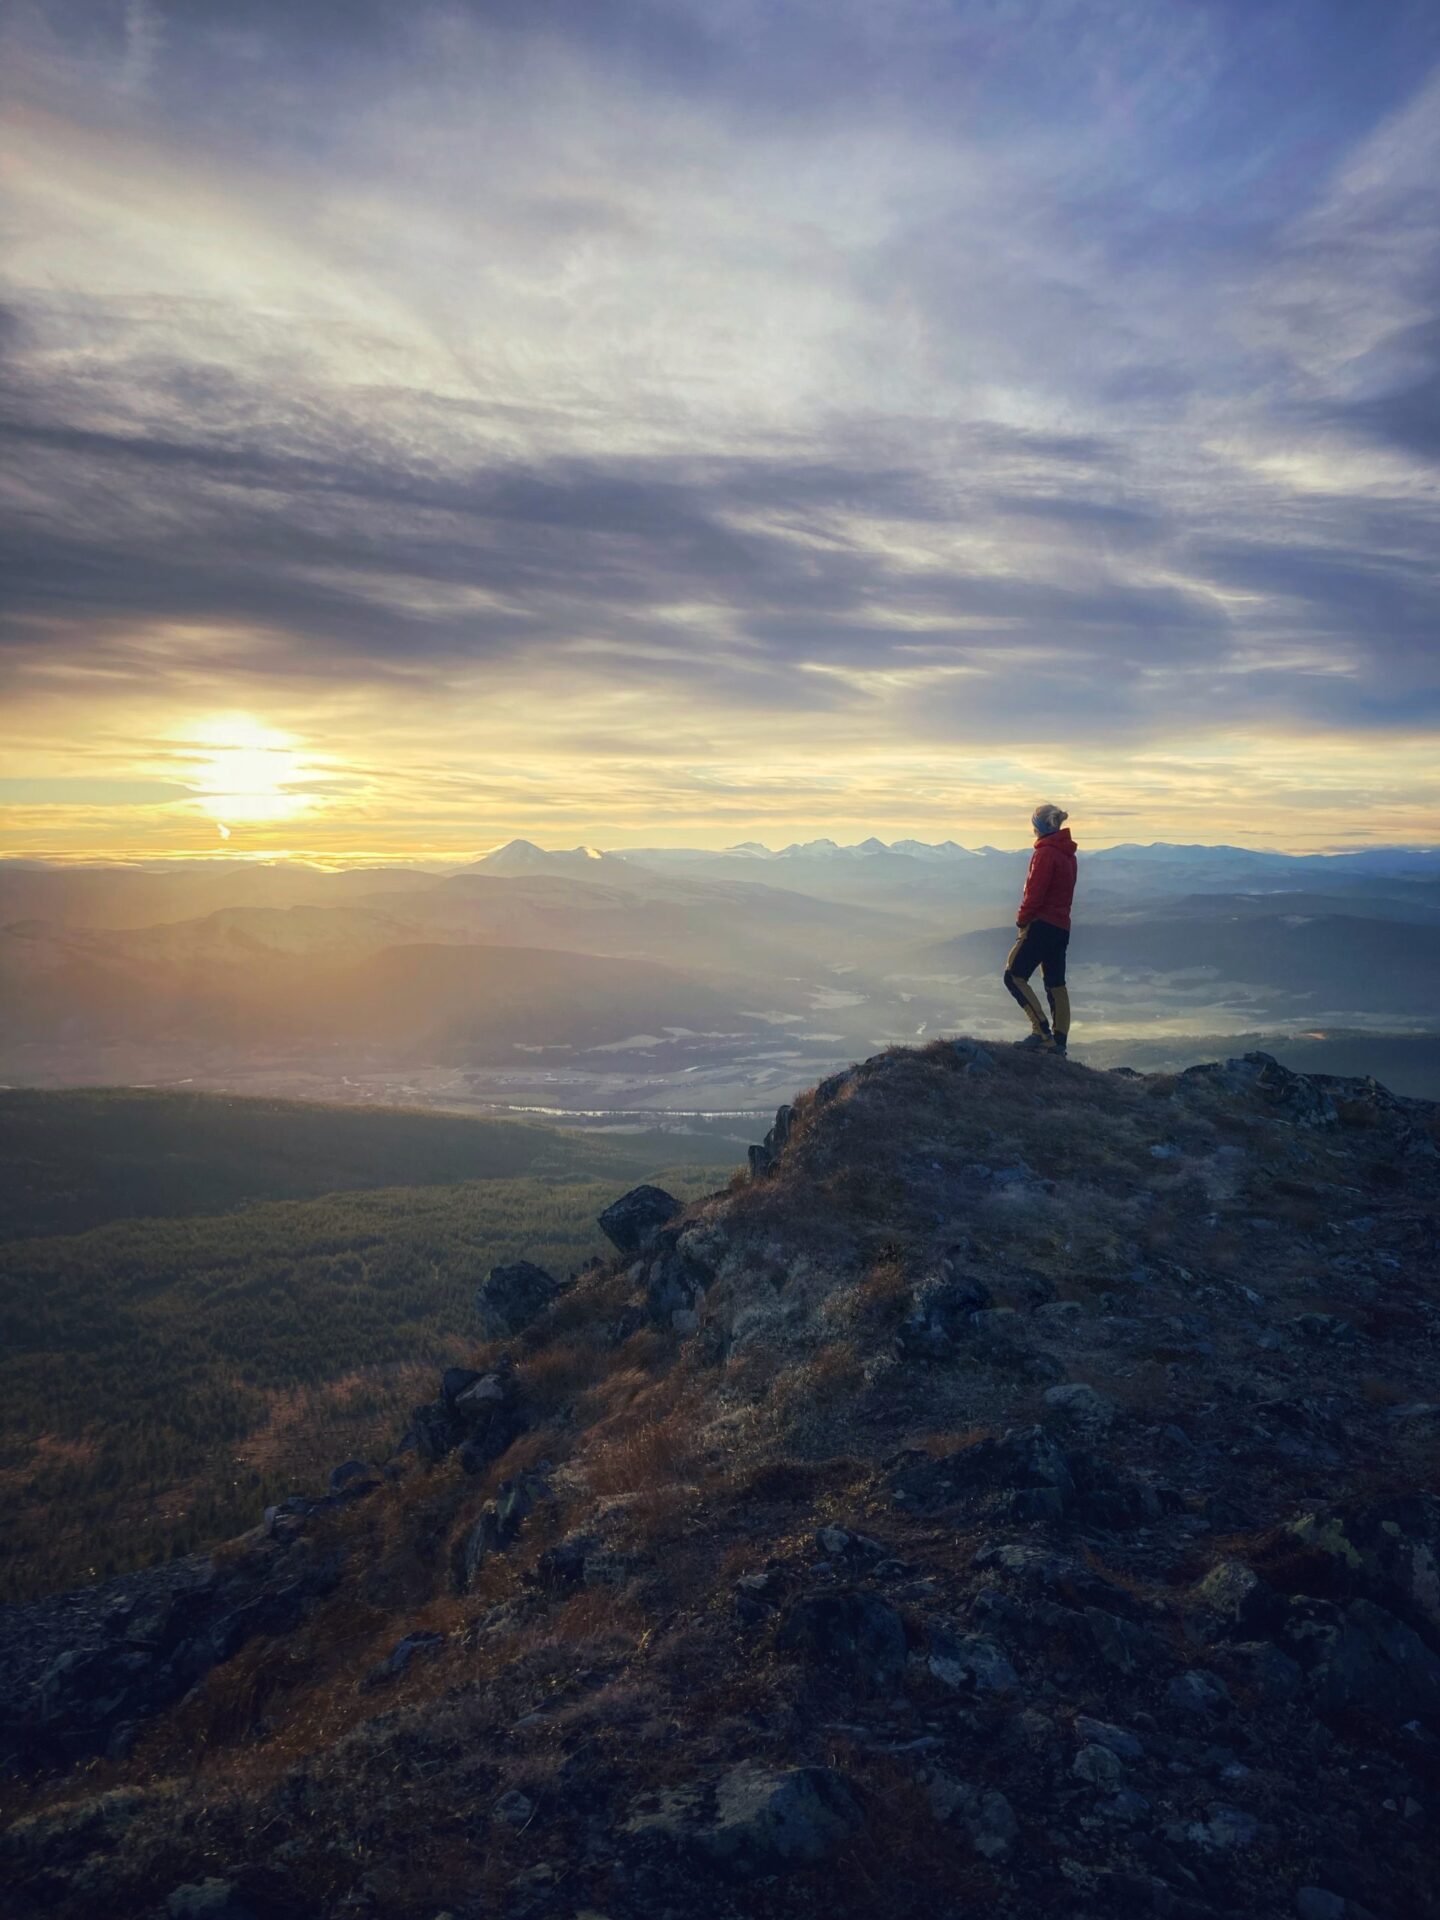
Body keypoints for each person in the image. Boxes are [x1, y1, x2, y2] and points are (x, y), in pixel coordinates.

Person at [1003, 803, 1076, 1053]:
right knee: (1056, 983)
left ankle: (1041, 1031)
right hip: (1061, 928)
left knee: (1013, 975)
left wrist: (1022, 920)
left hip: (1041, 925)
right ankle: (1059, 1041)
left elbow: (1034, 894)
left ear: (1039, 827)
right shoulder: (1068, 854)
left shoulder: (1044, 854)